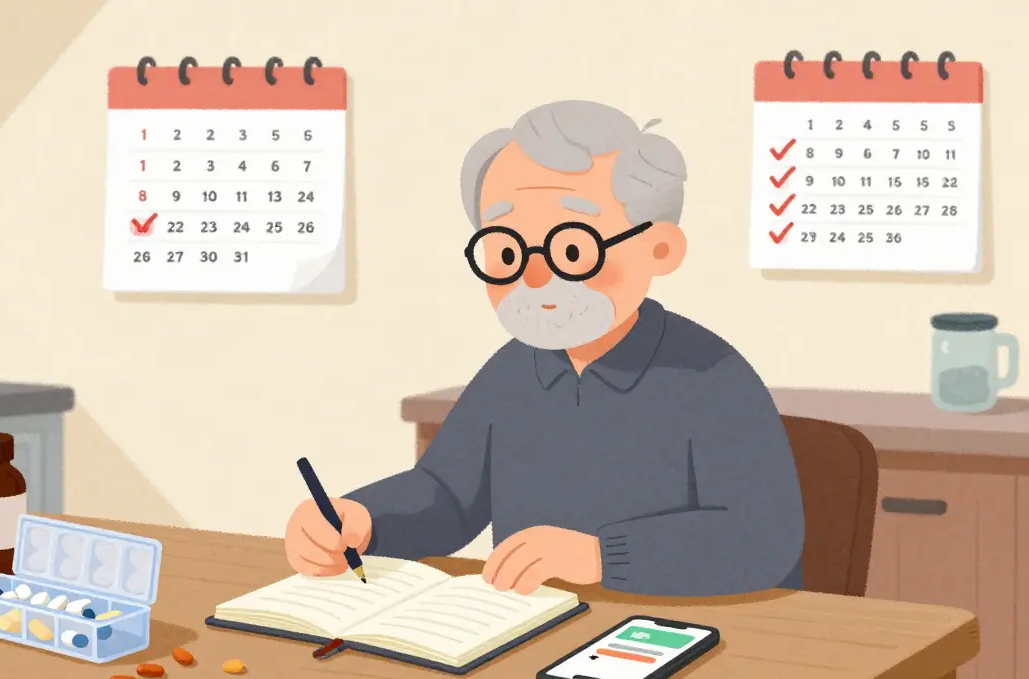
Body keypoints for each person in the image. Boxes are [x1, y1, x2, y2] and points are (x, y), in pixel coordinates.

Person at [284, 100, 805, 597]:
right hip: (533, 628)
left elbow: (761, 538)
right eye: (507, 250)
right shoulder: (513, 373)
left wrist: (601, 558)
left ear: (660, 248)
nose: (534, 275)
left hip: (692, 637)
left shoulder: (711, 377)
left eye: (572, 248)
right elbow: (447, 494)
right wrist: (363, 519)